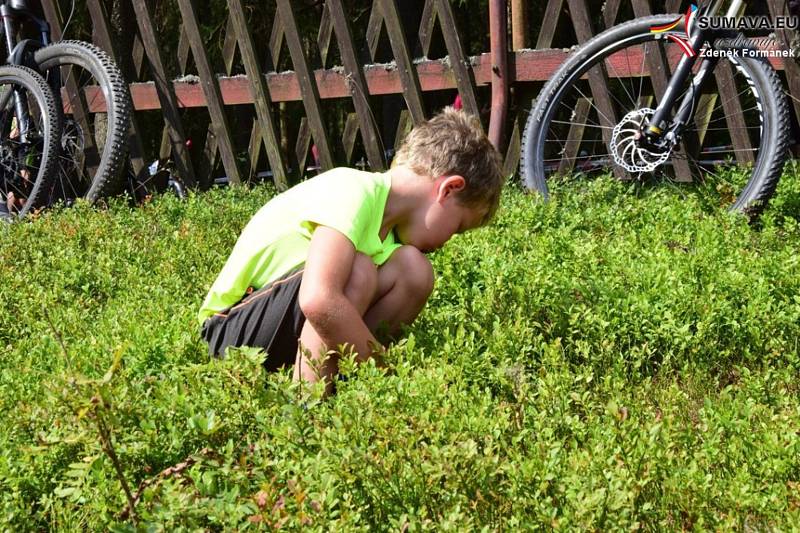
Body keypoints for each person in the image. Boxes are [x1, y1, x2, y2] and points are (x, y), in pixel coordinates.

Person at [198, 107, 504, 396]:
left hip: (279, 335)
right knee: (356, 270)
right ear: (448, 188)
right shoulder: (353, 189)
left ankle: (337, 389)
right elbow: (318, 299)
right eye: (459, 226)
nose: (450, 239)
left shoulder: (392, 243)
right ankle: (304, 408)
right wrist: (388, 377)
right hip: (230, 333)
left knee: (414, 270)